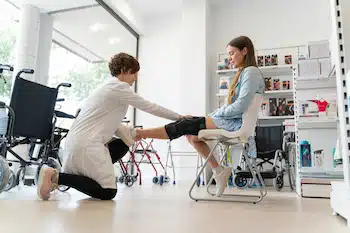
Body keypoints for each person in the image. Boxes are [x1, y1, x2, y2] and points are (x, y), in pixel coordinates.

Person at [123, 36, 264, 197]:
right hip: (230, 122)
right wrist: (212, 115)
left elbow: (240, 106)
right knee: (190, 134)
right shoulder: (245, 73)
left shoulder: (250, 72)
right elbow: (237, 105)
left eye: (232, 53)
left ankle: (138, 134)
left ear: (244, 51)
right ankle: (219, 171)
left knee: (184, 125)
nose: (229, 59)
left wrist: (214, 115)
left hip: (234, 125)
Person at [36, 52, 186, 201]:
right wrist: (179, 117)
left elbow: (108, 123)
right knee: (108, 192)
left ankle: (59, 177)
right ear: (123, 71)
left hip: (77, 143)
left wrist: (134, 133)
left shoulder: (104, 88)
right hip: (87, 145)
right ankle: (56, 177)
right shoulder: (119, 87)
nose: (135, 78)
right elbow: (150, 107)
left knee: (126, 141)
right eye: (134, 73)